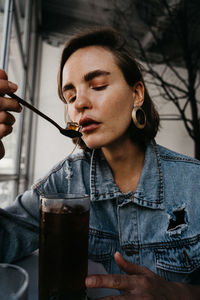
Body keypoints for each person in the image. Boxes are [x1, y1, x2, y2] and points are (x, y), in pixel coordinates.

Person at [0, 27, 200, 299]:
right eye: (70, 96)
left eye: (98, 86)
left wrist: (178, 293)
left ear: (137, 93)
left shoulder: (193, 183)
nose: (79, 103)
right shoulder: (65, 181)